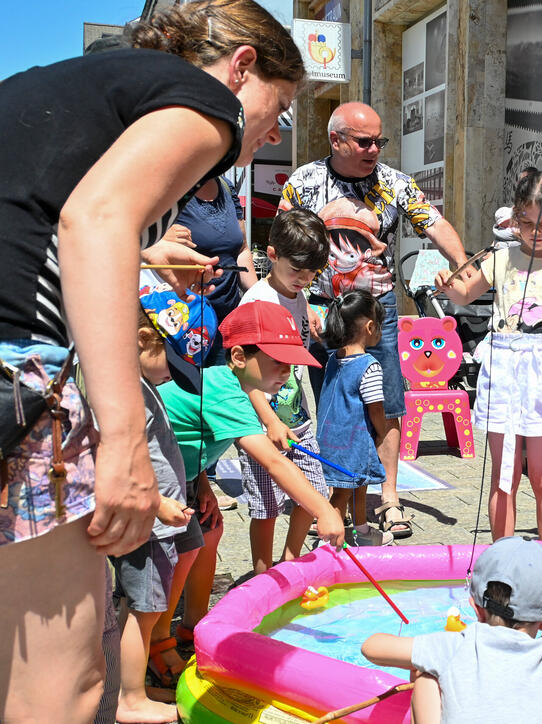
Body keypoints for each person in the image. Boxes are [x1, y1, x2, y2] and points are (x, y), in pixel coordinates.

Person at [0, 1, 302, 718]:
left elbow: (34, 220)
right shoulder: (206, 103)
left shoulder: (58, 83)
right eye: (279, 110)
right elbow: (92, 219)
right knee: (63, 681)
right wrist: (126, 443)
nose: (266, 134)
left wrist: (140, 251)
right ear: (242, 67)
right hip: (23, 378)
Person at [279, 102, 470, 540]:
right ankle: (338, 497)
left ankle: (389, 497)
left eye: (379, 141)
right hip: (321, 310)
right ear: (336, 140)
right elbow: (284, 241)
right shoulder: (305, 182)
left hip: (373, 316)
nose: (374, 149)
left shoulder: (394, 183)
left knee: (385, 406)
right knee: (333, 409)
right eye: (365, 141)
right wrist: (298, 298)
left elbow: (433, 222)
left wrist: (459, 260)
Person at [150, 301, 345, 679]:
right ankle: (158, 640)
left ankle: (193, 625)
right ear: (238, 356)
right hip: (153, 476)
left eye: (292, 365)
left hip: (183, 473)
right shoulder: (226, 392)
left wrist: (202, 481)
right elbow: (273, 462)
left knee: (210, 529)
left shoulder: (229, 382)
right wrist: (324, 509)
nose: (287, 375)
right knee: (182, 548)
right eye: (278, 363)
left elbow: (190, 433)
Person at [436, 171, 542, 541]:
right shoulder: (501, 258)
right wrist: (448, 285)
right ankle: (502, 564)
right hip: (503, 366)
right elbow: (464, 295)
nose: (535, 232)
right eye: (525, 223)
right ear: (514, 218)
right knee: (503, 475)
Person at [361, 536, 542, 724]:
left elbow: (371, 647)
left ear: (475, 608)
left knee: (428, 678)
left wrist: (423, 660)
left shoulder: (454, 647)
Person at [110, 311, 196, 724]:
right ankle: (130, 699)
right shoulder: (126, 391)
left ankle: (134, 687)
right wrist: (158, 501)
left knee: (144, 610)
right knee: (142, 612)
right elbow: (123, 459)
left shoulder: (142, 383)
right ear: (145, 338)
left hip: (159, 517)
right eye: (171, 364)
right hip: (148, 521)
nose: (171, 376)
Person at [237, 208, 332, 573]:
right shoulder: (257, 303)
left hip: (299, 419)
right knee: (266, 507)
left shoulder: (298, 294)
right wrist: (270, 421)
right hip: (262, 424)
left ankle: (290, 563)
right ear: (272, 255)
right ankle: (263, 576)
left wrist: (308, 311)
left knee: (314, 495)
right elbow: (245, 373)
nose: (303, 280)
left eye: (311, 275)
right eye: (296, 271)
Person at [316, 290, 395, 546]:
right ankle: (330, 540)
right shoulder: (369, 365)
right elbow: (375, 408)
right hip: (354, 440)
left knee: (358, 486)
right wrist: (382, 431)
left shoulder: (333, 359)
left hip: (330, 437)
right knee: (341, 494)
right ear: (371, 327)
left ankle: (362, 531)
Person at [164, 175, 258, 364]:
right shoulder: (169, 187)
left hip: (226, 324)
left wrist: (258, 297)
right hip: (182, 324)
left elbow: (241, 249)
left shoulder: (226, 186)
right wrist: (160, 239)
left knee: (219, 390)